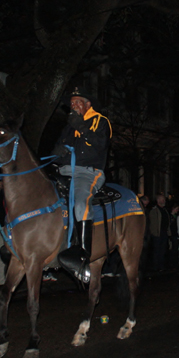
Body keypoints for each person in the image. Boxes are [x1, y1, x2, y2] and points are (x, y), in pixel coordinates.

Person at [52, 86, 112, 283]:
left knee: (80, 204)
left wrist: (82, 127)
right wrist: (57, 152)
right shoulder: (69, 126)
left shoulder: (100, 122)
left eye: (78, 102)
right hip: (64, 172)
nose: (73, 106)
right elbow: (60, 147)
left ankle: (83, 258)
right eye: (71, 103)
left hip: (87, 173)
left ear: (88, 104)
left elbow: (100, 145)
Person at [148, 193, 171, 273]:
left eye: (164, 199)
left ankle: (161, 266)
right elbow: (153, 224)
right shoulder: (154, 211)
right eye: (162, 199)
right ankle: (155, 266)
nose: (164, 201)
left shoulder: (164, 210)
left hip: (164, 233)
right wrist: (154, 233)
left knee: (163, 250)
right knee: (156, 251)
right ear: (158, 200)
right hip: (157, 233)